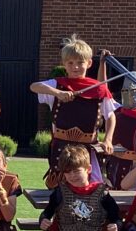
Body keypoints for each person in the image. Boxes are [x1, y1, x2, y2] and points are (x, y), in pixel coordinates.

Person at [30, 35, 118, 187]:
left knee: (91, 189)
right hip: (61, 149)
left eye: (80, 62)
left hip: (88, 149)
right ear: (64, 64)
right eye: (70, 63)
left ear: (89, 63)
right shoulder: (57, 85)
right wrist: (57, 93)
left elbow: (110, 116)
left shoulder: (99, 89)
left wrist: (108, 139)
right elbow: (34, 86)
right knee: (60, 188)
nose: (75, 67)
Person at [40, 145, 120, 231]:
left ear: (88, 169)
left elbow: (116, 217)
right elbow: (47, 213)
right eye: (68, 172)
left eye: (76, 171)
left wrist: (115, 226)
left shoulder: (102, 193)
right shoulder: (60, 193)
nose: (72, 175)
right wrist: (44, 220)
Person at [103, 70, 136, 190]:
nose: (131, 94)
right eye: (126, 91)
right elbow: (103, 91)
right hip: (118, 165)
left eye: (135, 90)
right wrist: (102, 65)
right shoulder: (116, 112)